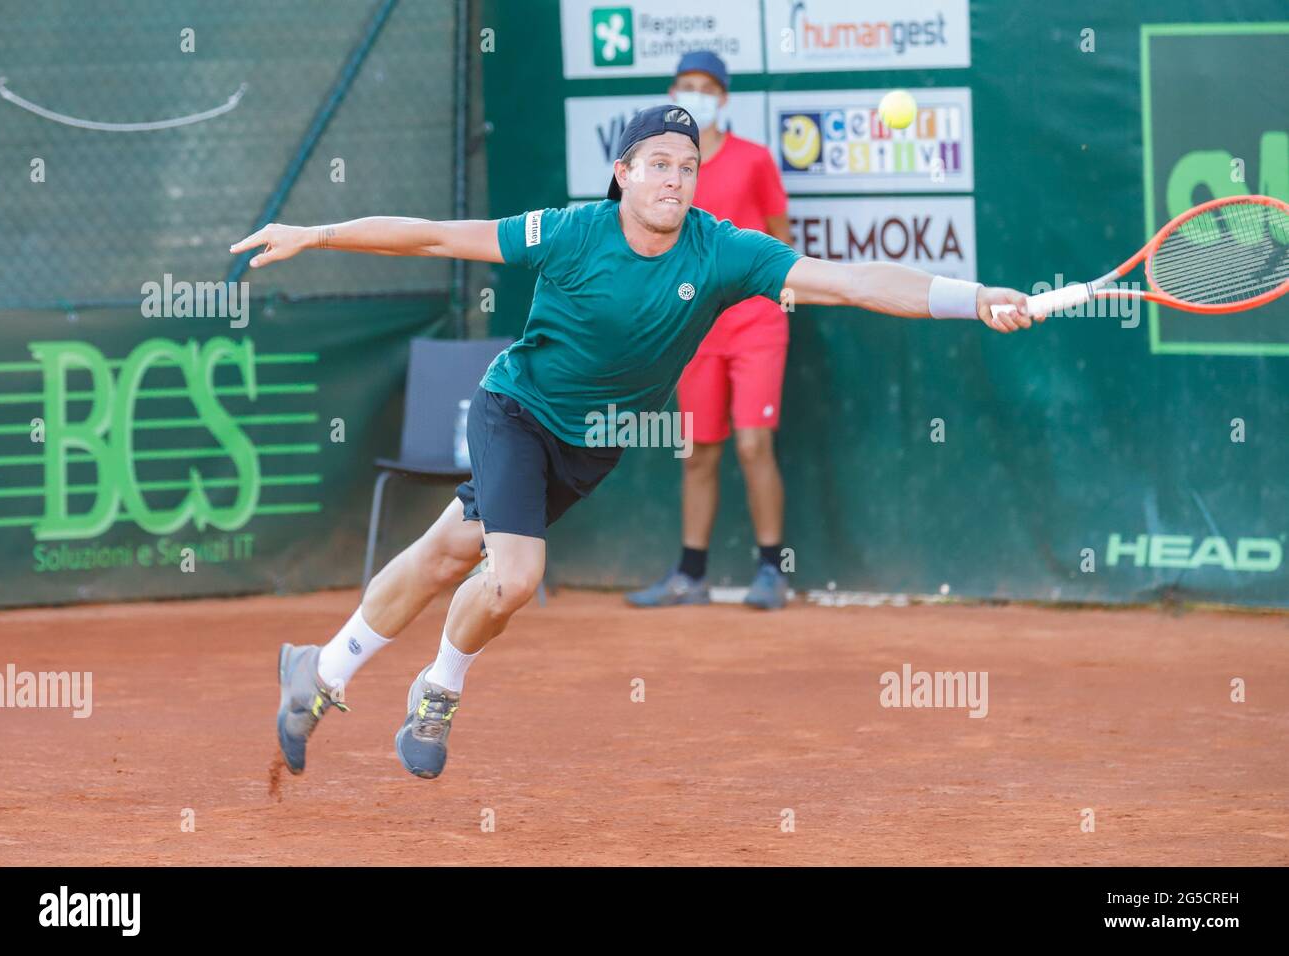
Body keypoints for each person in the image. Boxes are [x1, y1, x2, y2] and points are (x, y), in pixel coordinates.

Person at [231, 104, 1039, 782]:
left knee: (449, 553)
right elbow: (436, 238)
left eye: (687, 166)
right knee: (513, 578)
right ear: (622, 172)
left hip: (592, 447)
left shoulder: (722, 251)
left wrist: (972, 300)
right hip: (516, 409)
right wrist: (321, 231)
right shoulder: (571, 232)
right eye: (657, 164)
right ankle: (438, 689)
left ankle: (321, 670)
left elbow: (850, 281)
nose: (674, 180)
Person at [626, 50, 795, 611]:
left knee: (752, 444)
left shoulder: (755, 160)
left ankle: (773, 570)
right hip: (694, 328)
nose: (694, 92)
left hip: (755, 323)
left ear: (722, 98)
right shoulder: (668, 170)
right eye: (685, 84)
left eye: (705, 85)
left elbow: (779, 239)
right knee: (697, 450)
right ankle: (690, 576)